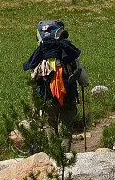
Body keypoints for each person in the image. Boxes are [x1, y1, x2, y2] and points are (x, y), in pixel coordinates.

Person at [23, 20, 88, 151]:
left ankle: (54, 154)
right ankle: (64, 156)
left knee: (49, 124)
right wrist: (84, 83)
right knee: (66, 125)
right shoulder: (68, 49)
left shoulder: (41, 52)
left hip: (47, 95)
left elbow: (33, 75)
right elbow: (81, 75)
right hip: (67, 94)